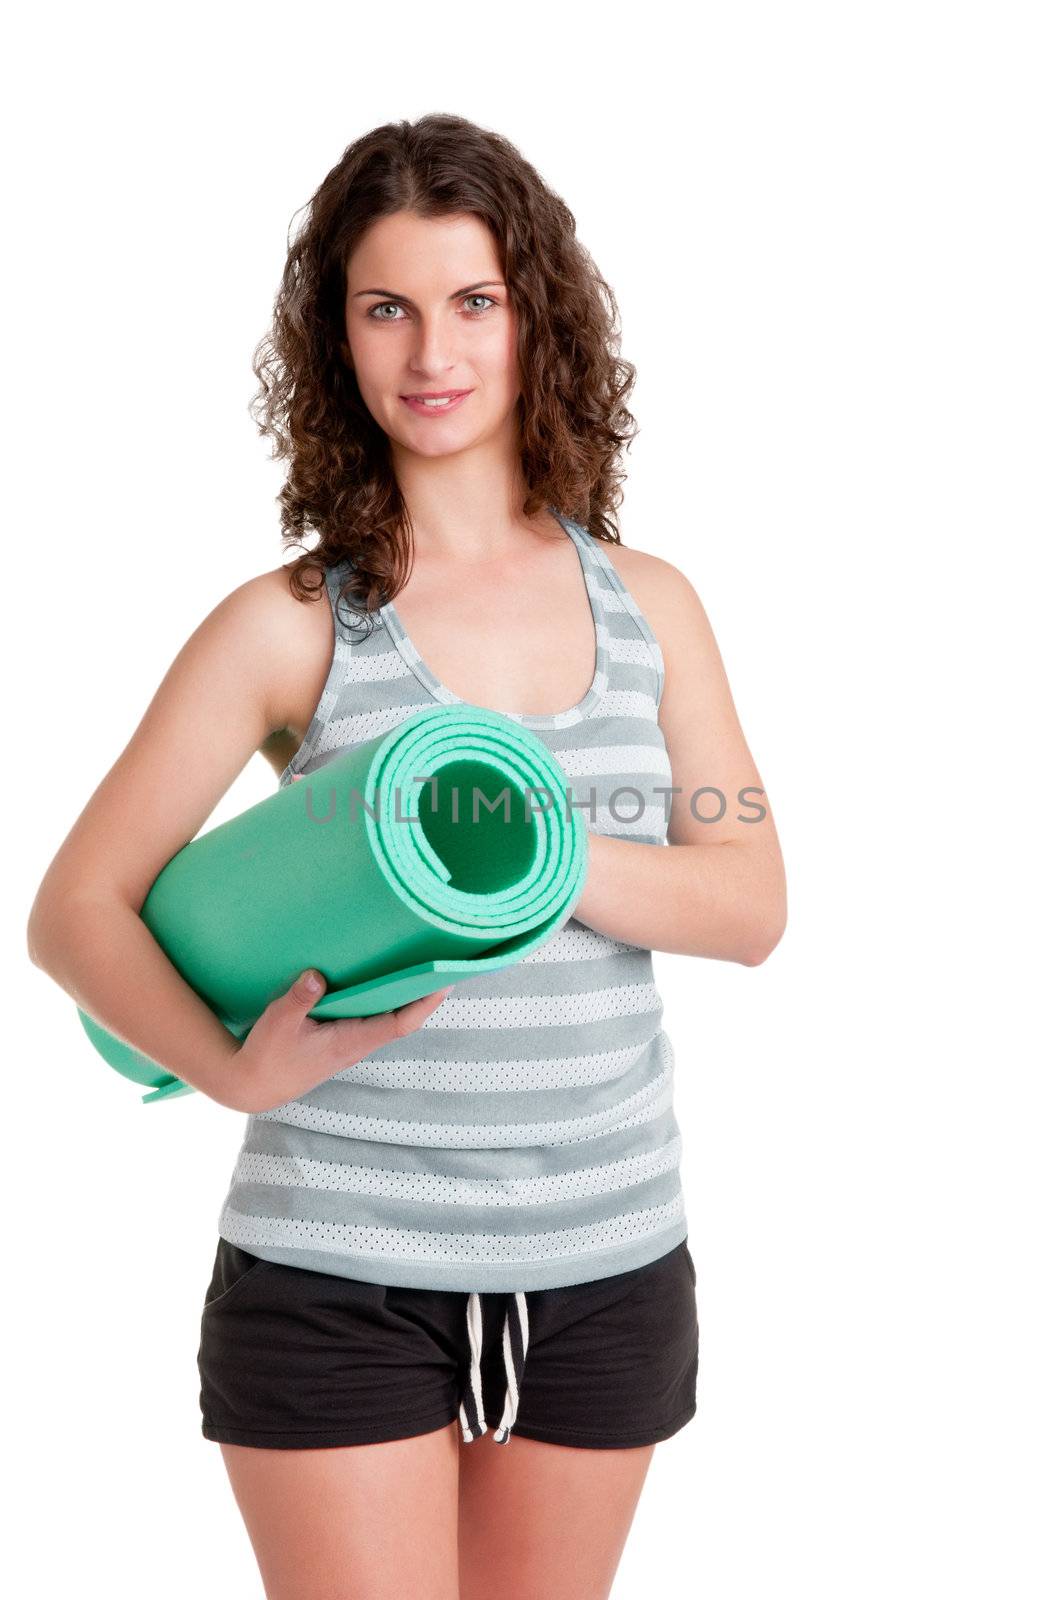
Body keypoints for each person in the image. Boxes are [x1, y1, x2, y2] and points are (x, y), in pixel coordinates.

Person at [27, 113, 786, 1600]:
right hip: (339, 1268)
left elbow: (750, 899)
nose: (430, 351)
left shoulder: (653, 606)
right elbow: (75, 909)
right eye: (387, 307)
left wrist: (529, 857)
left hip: (607, 1255)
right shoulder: (294, 623)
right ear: (340, 340)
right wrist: (235, 1068)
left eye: (472, 302)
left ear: (534, 322)